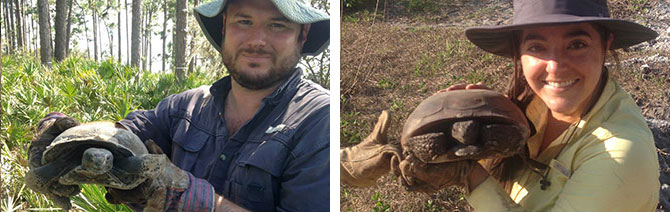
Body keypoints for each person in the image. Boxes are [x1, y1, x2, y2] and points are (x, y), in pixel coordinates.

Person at [341, 0, 661, 211]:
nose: (555, 66)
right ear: (518, 53)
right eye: (537, 46)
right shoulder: (528, 107)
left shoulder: (620, 155)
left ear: (605, 45)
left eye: (577, 44)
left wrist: (468, 175)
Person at [26, 0, 330, 211]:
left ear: (302, 35)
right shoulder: (184, 108)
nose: (257, 40)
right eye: (244, 21)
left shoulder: (319, 120)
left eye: (277, 25)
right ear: (224, 26)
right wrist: (58, 130)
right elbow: (119, 134)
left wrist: (193, 200)